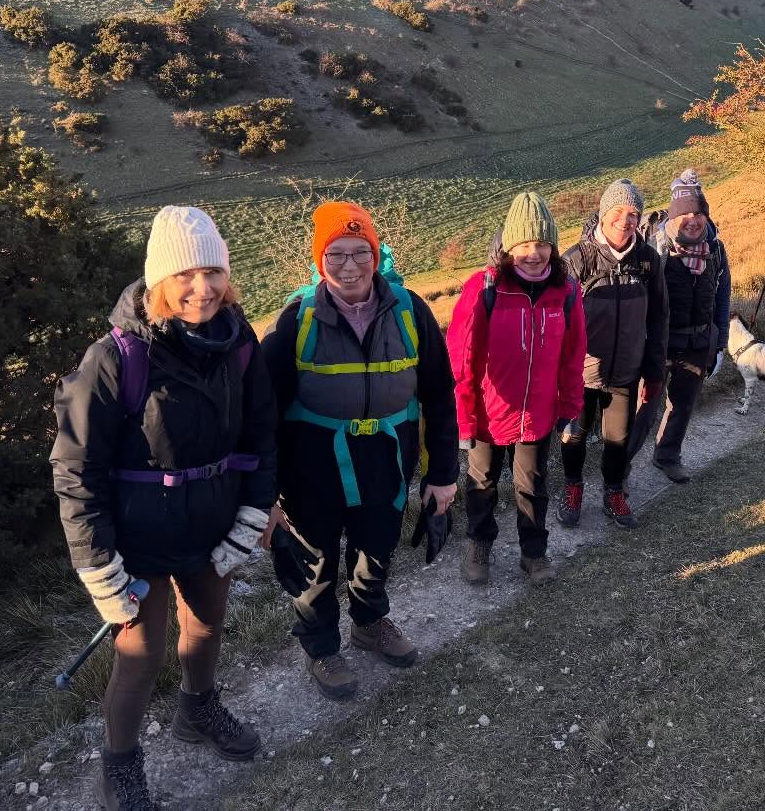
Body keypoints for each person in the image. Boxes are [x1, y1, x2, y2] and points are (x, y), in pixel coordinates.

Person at [51, 205, 277, 811]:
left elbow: (260, 436)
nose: (201, 289)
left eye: (213, 273)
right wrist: (97, 565)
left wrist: (253, 515)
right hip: (136, 536)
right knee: (140, 654)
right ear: (159, 281)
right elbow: (76, 469)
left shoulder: (239, 344)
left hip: (212, 523)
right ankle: (119, 765)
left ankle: (197, 712)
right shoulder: (115, 358)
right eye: (185, 275)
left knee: (206, 625)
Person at [260, 202, 457, 701]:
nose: (349, 266)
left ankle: (369, 624)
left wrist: (444, 472)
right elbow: (260, 416)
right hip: (311, 467)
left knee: (376, 549)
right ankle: (321, 646)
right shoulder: (295, 319)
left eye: (360, 253)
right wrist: (263, 496)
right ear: (318, 259)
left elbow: (438, 392)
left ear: (376, 253)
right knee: (316, 562)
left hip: (386, 460)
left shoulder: (410, 310)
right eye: (336, 254)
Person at [448, 192, 586, 586]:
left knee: (533, 485)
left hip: (538, 414)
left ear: (554, 247)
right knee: (482, 484)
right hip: (489, 414)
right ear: (510, 247)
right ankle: (478, 545)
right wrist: (465, 417)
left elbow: (574, 355)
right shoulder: (485, 288)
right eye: (524, 244)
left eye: (542, 244)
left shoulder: (567, 291)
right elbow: (461, 359)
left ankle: (533, 552)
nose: (534, 253)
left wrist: (570, 408)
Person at [558, 179, 668, 529]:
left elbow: (659, 318)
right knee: (573, 433)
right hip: (581, 373)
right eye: (618, 212)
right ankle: (572, 487)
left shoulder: (649, 261)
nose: (625, 220)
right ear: (604, 214)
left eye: (633, 213)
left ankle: (613, 491)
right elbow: (555, 321)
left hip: (626, 371)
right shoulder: (576, 261)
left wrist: (653, 373)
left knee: (618, 438)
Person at [633, 169, 731, 483]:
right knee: (642, 412)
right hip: (660, 344)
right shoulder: (657, 250)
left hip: (698, 342)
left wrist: (720, 342)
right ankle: (618, 471)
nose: (693, 219)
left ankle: (667, 456)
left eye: (699, 212)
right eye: (685, 213)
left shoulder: (715, 249)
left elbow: (722, 295)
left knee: (683, 406)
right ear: (674, 217)